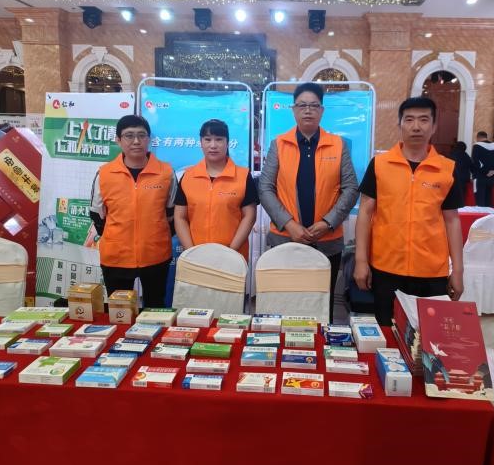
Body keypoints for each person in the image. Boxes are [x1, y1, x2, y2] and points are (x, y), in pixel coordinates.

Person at [354, 96, 464, 327]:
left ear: (434, 126)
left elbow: (452, 221)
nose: (416, 126)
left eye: (424, 120)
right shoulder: (380, 165)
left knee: (430, 336)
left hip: (432, 271)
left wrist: (458, 270)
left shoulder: (447, 169)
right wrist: (361, 261)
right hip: (386, 267)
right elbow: (364, 213)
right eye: (409, 119)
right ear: (400, 124)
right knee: (387, 331)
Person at [259, 81, 358, 321]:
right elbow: (265, 187)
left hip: (326, 240)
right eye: (302, 105)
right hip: (285, 238)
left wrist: (327, 222)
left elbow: (350, 188)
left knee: (321, 305)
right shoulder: (279, 144)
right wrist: (289, 224)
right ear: (293, 110)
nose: (308, 110)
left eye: (314, 105)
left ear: (321, 110)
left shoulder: (338, 145)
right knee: (284, 301)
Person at [90, 114, 177, 307]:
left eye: (141, 135)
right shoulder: (104, 173)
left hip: (156, 255)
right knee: (119, 311)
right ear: (118, 140)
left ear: (149, 139)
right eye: (129, 135)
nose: (136, 141)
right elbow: (96, 214)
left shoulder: (166, 172)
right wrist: (117, 236)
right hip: (116, 256)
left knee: (155, 307)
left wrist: (155, 235)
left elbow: (172, 214)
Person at [174, 118, 259, 258]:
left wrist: (231, 251)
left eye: (219, 139)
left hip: (233, 256)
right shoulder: (188, 176)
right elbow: (180, 217)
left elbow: (249, 216)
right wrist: (191, 252)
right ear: (201, 143)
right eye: (207, 140)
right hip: (196, 257)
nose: (213, 145)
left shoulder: (243, 176)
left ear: (227, 143)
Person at [471, 131, 494, 207]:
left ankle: (480, 212)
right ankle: (489, 212)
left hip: (480, 177)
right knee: (489, 197)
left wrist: (485, 172)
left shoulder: (477, 146)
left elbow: (475, 162)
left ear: (478, 137)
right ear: (486, 137)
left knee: (480, 199)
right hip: (492, 177)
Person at [448, 141, 474, 205]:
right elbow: (472, 167)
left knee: (451, 195)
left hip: (452, 178)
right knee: (462, 195)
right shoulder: (466, 156)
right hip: (463, 179)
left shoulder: (451, 155)